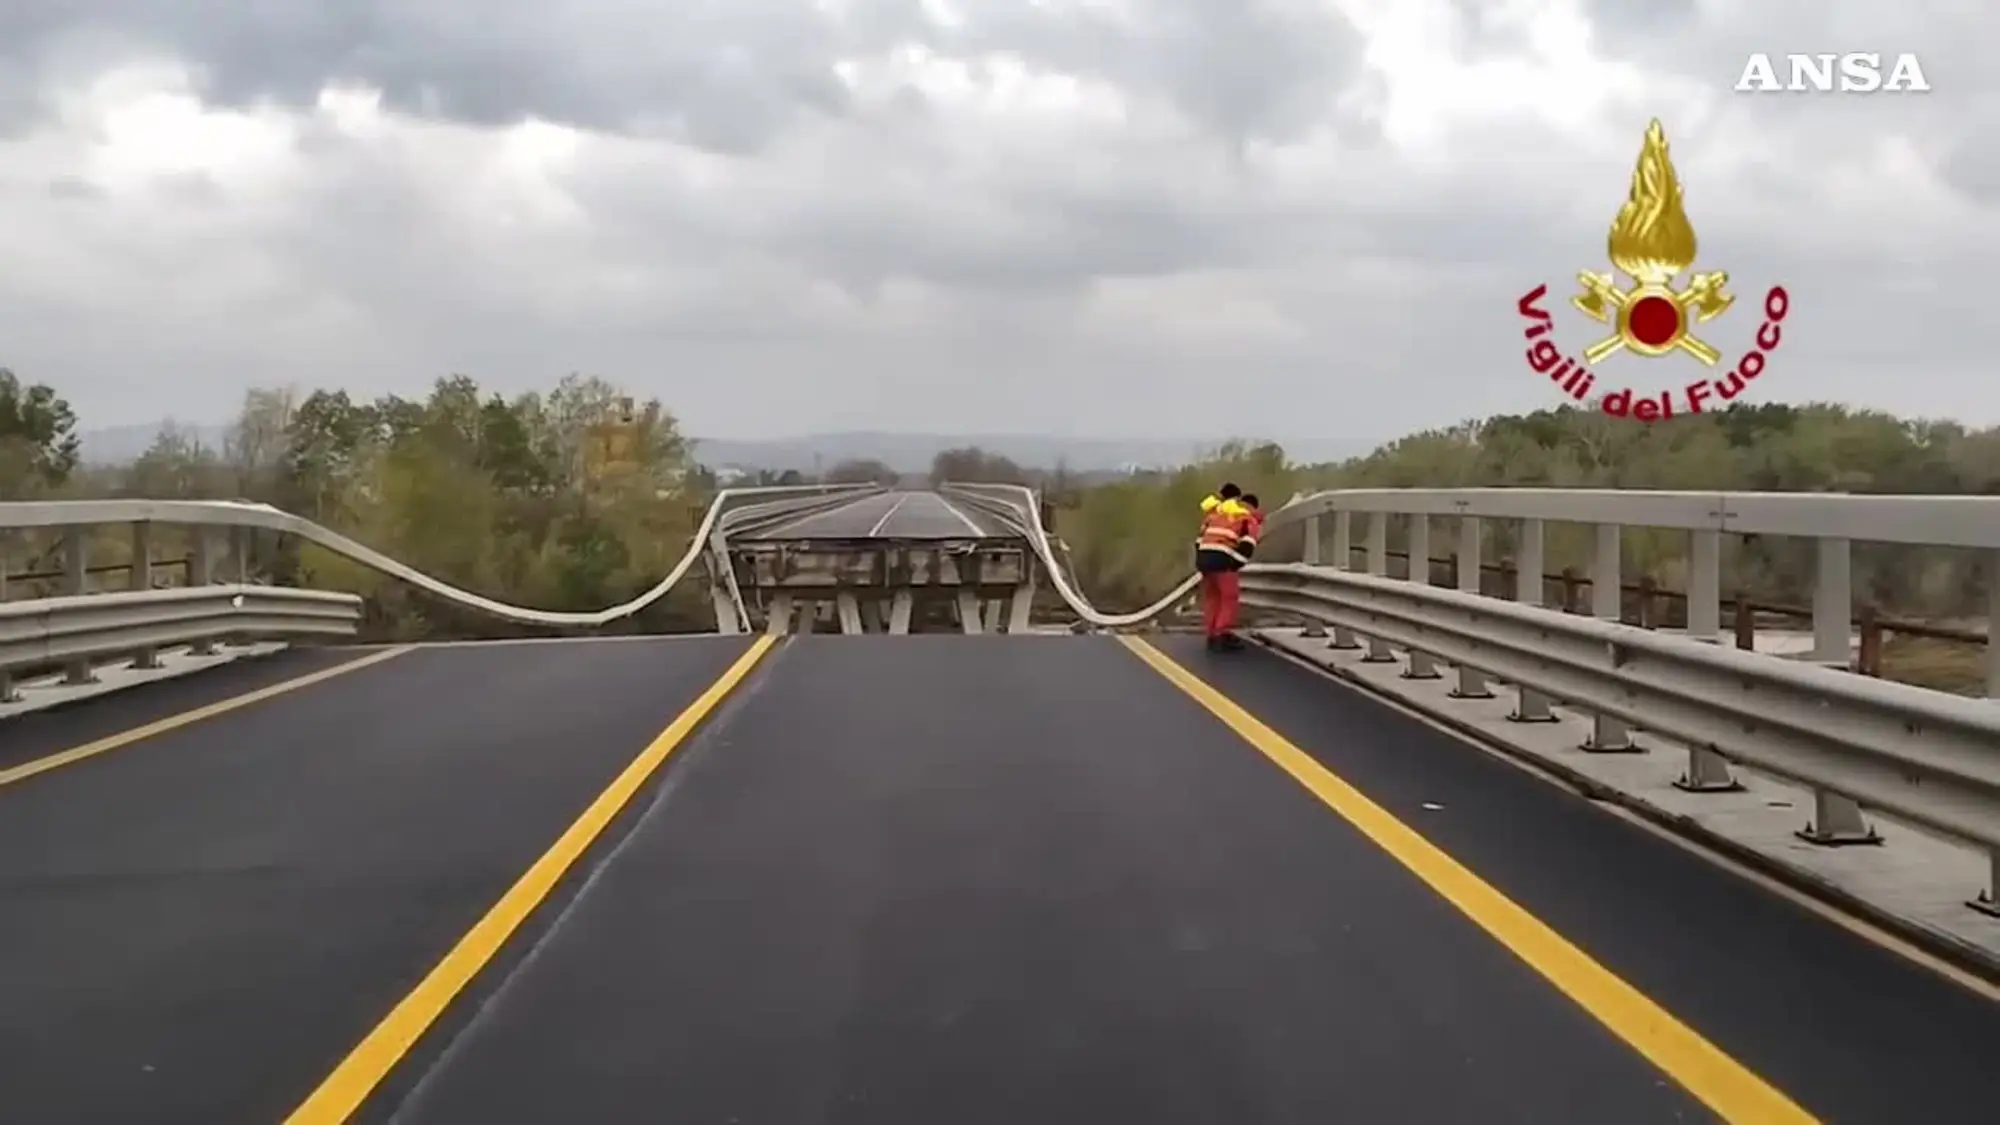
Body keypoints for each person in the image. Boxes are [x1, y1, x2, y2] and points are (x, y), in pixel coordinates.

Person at [1194, 491, 1257, 651]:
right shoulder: (1247, 519)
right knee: (1229, 598)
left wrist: (1201, 561)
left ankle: (1211, 634)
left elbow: (1199, 540)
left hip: (1204, 559)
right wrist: (1234, 565)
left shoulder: (1217, 515)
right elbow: (1247, 546)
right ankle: (1221, 635)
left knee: (1212, 598)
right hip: (1222, 561)